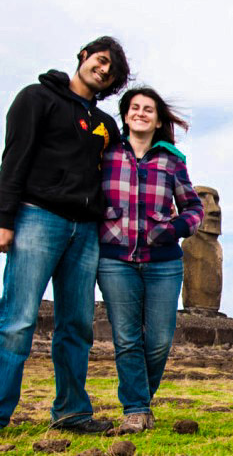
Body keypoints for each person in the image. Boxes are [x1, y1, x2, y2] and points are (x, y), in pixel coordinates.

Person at [0, 36, 130, 433]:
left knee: (77, 324)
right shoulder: (36, 98)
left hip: (86, 230)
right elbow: (14, 157)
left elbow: (124, 171)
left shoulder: (106, 125)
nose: (104, 71)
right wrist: (4, 219)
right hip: (38, 218)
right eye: (102, 60)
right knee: (18, 320)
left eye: (112, 70)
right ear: (84, 56)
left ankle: (72, 412)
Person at [97, 87, 203, 434]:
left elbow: (194, 208)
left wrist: (172, 229)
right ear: (125, 114)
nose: (141, 113)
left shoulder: (171, 159)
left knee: (158, 340)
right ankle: (136, 409)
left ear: (158, 120)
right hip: (115, 258)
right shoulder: (106, 153)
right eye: (135, 108)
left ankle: (141, 400)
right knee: (127, 337)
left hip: (163, 261)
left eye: (149, 109)